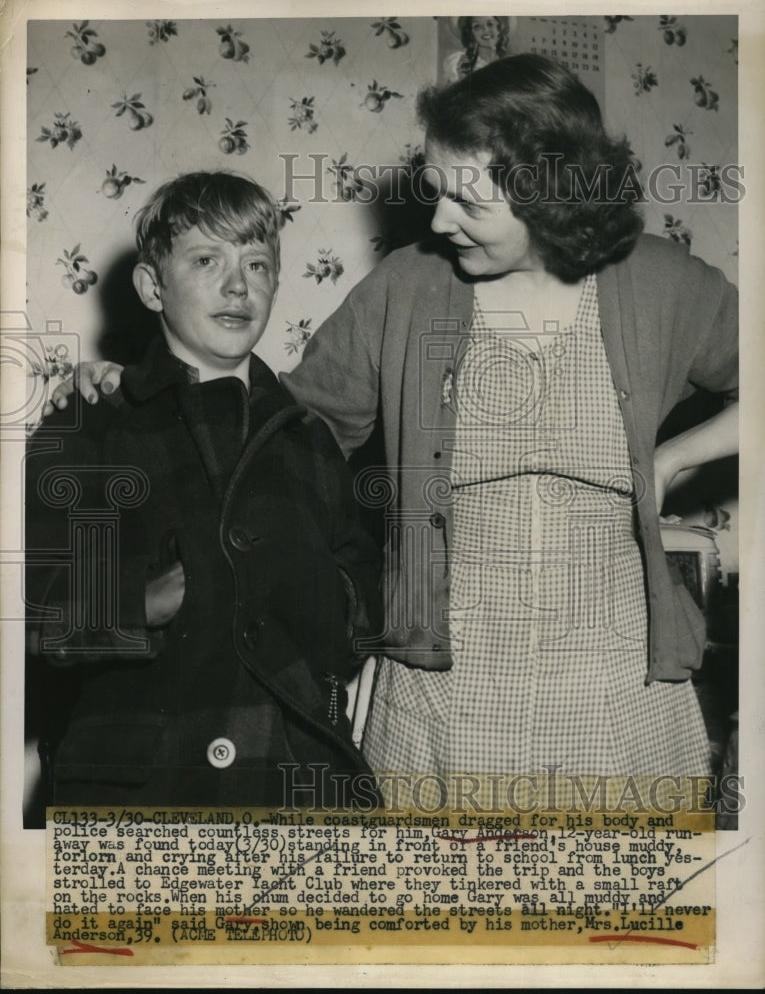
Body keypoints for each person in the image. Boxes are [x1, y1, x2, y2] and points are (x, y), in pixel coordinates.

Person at [49, 57, 738, 805]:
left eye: (466, 203)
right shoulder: (405, 288)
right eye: (436, 193)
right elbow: (278, 442)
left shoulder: (664, 285)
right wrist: (141, 392)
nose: (438, 221)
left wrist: (673, 458)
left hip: (618, 698)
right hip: (440, 705)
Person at [25, 171, 381, 809]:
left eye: (257, 263)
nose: (238, 284)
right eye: (206, 259)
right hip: (144, 789)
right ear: (151, 286)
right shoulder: (93, 422)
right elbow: (36, 611)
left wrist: (328, 597)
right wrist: (143, 600)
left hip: (292, 779)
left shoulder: (309, 441)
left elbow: (362, 591)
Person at [442, 16, 511, 84]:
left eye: (490, 24)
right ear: (471, 33)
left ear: (499, 29)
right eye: (477, 26)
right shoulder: (459, 63)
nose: (485, 30)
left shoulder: (508, 64)